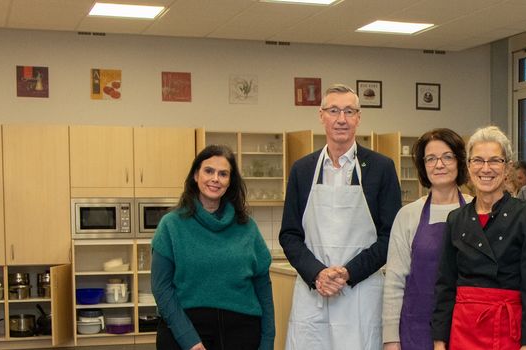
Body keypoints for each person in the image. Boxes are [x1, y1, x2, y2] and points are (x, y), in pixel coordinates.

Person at [279, 84, 401, 350]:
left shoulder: (381, 168)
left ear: (358, 118)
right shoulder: (302, 169)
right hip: (313, 294)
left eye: (349, 111)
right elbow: (289, 235)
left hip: (361, 293)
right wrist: (317, 274)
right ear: (321, 115)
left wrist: (348, 273)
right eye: (334, 110)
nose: (341, 119)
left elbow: (389, 235)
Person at [432, 126, 526, 350]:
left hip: (508, 327)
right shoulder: (456, 219)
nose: (486, 169)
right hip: (463, 328)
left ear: (507, 169)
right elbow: (445, 284)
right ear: (468, 167)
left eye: (495, 160)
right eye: (478, 161)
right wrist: (439, 340)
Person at [152, 145, 274, 350]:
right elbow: (161, 288)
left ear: (230, 181)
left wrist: (268, 340)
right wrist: (188, 339)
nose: (215, 179)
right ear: (195, 175)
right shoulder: (171, 225)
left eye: (223, 174)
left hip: (242, 332)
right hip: (185, 331)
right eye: (209, 171)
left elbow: (263, 286)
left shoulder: (247, 227)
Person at [382, 128, 471, 350]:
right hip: (416, 328)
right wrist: (391, 340)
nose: (439, 164)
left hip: (466, 327)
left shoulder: (475, 210)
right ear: (423, 166)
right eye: (431, 158)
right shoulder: (408, 215)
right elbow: (394, 283)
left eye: (447, 157)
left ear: (460, 161)